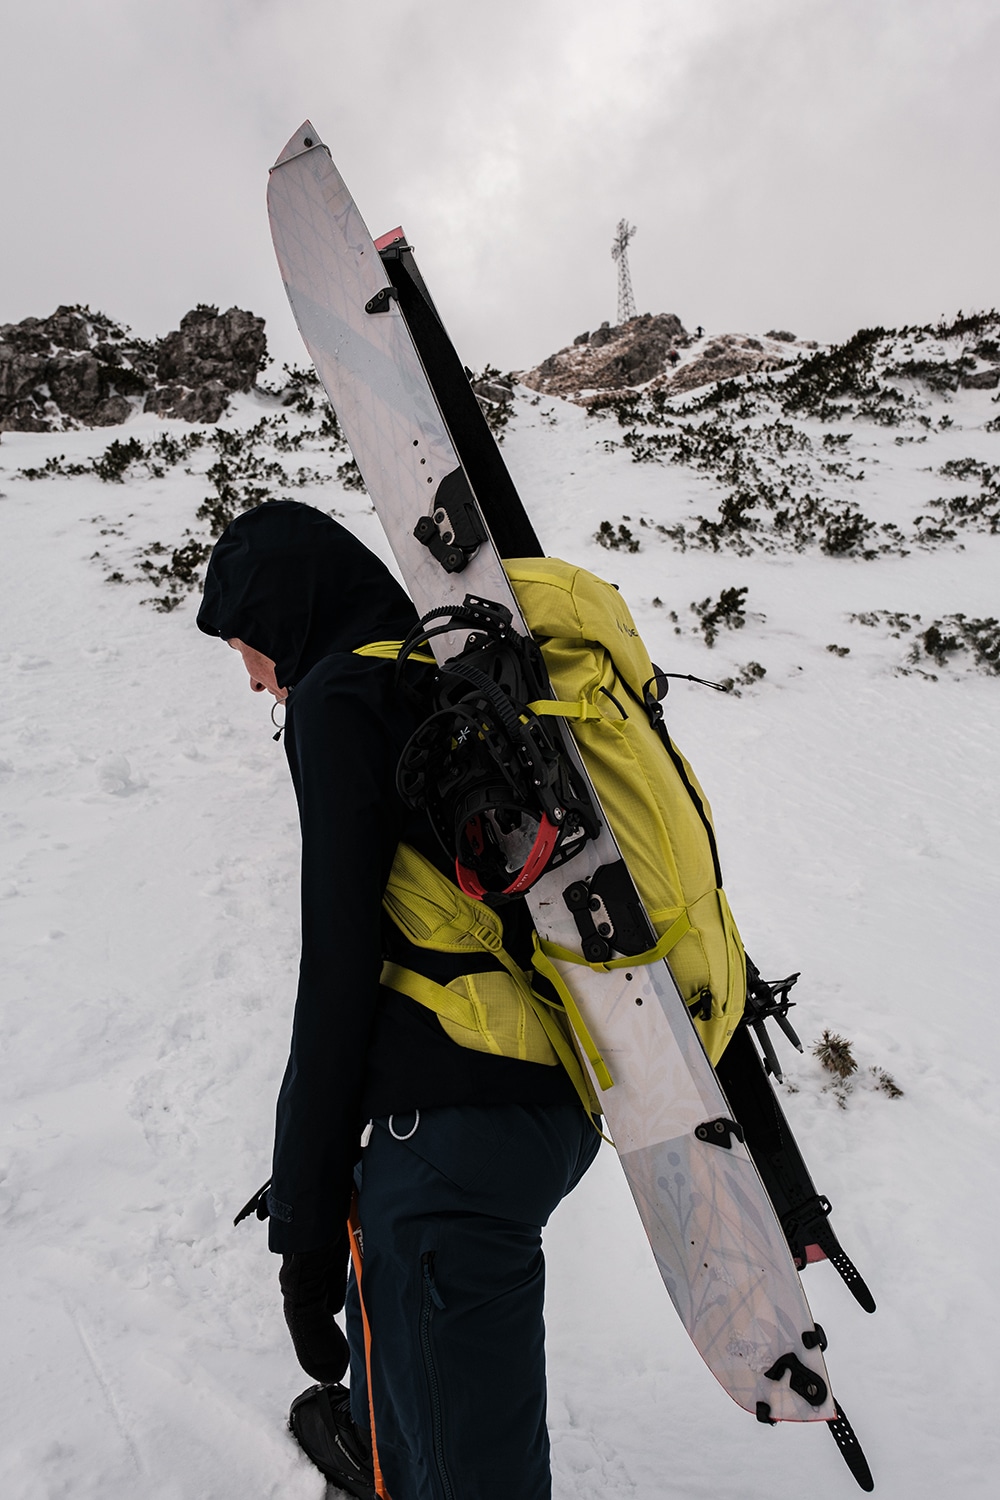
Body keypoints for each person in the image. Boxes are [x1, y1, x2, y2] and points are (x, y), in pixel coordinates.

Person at [197, 500, 600, 1500]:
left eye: (245, 646)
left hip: (458, 1141)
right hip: (549, 1094)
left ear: (285, 617)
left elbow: (336, 971)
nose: (251, 676)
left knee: (472, 1474)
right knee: (405, 1282)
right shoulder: (441, 672)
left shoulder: (339, 697)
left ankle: (413, 1460)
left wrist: (299, 1240)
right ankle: (384, 1445)